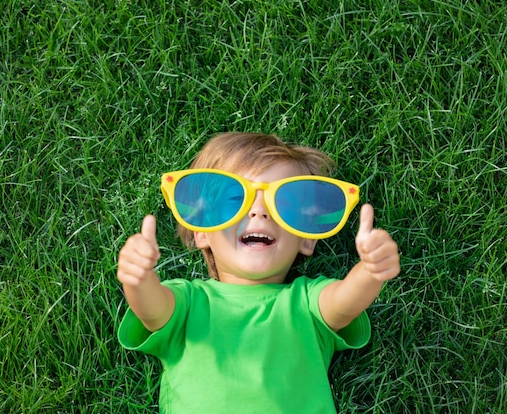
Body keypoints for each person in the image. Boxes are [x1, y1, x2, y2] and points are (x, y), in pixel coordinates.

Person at [116, 132, 400, 413]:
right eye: (233, 200)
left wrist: (370, 271)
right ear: (201, 233)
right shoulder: (188, 302)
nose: (259, 211)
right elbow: (152, 310)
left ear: (306, 237)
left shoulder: (306, 303)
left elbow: (345, 300)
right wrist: (139, 277)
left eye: (284, 204)